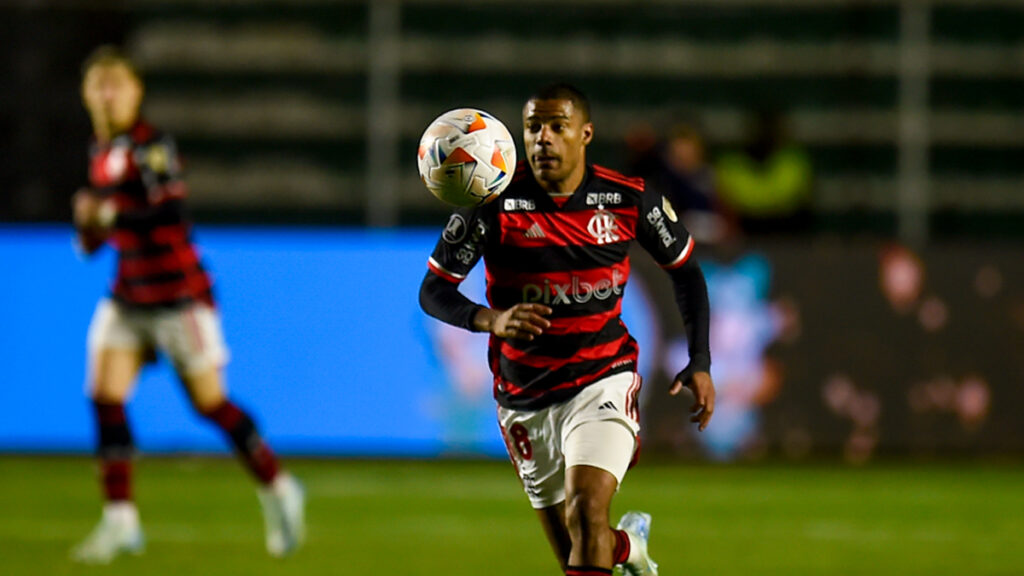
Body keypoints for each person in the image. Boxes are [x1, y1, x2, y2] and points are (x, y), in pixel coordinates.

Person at [419, 83, 715, 576]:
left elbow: (685, 271)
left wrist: (700, 360)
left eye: (558, 127)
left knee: (587, 510)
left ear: (585, 134)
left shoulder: (628, 199)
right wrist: (491, 319)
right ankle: (628, 549)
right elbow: (433, 290)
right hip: (523, 394)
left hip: (602, 377)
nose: (543, 139)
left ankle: (612, 542)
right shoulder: (494, 206)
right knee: (577, 550)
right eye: (534, 127)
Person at [69, 46, 305, 564]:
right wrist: (89, 230)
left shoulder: (153, 147)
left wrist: (103, 218)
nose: (107, 95)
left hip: (179, 296)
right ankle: (120, 520)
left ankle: (278, 486)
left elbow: (167, 214)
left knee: (210, 405)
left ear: (136, 91)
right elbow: (108, 227)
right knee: (104, 394)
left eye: (117, 84)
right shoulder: (99, 150)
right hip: (129, 294)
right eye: (98, 85)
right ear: (87, 95)